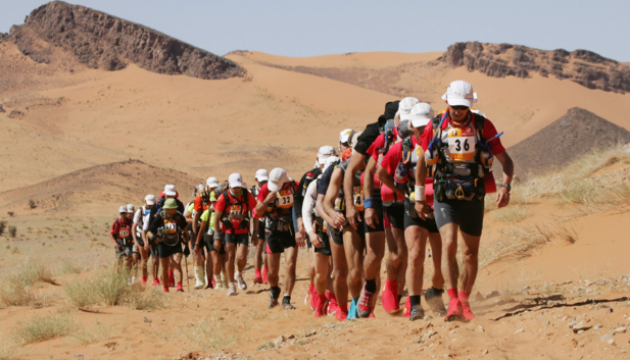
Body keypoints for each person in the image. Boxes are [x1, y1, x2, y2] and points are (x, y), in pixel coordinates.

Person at [416, 80, 514, 321]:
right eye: (455, 105)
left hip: (474, 195)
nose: (458, 110)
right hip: (444, 196)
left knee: (470, 253)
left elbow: (506, 161)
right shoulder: (435, 126)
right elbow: (421, 162)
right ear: (447, 101)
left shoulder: (483, 125)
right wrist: (419, 198)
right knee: (448, 244)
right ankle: (453, 303)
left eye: (463, 106)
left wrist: (506, 186)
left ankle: (465, 301)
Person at [378, 103, 446, 321]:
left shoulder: (443, 143)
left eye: (425, 126)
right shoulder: (401, 147)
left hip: (439, 203)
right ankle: (413, 302)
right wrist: (401, 190)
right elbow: (381, 172)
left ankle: (435, 294)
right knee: (411, 254)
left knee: (440, 259)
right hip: (410, 204)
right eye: (417, 126)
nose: (420, 130)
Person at [294, 146, 337, 308]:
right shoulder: (310, 178)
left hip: (332, 225)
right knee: (315, 266)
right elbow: (299, 200)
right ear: (318, 161)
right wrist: (300, 221)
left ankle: (330, 298)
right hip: (314, 223)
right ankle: (315, 289)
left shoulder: (339, 173)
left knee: (332, 265)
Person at [255, 168, 303, 309]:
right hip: (273, 231)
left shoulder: (295, 186)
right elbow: (256, 212)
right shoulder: (265, 189)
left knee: (291, 263)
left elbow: (301, 205)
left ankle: (286, 298)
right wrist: (266, 202)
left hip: (290, 230)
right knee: (272, 271)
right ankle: (274, 288)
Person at [302, 155, 340, 317]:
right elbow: (306, 210)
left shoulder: (344, 183)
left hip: (339, 231)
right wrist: (310, 233)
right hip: (321, 232)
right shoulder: (315, 185)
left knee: (339, 270)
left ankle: (336, 302)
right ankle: (320, 299)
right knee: (320, 272)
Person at [212, 173, 259, 296]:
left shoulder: (247, 195)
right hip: (228, 230)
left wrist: (255, 233)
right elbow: (216, 219)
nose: (237, 190)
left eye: (238, 187)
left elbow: (255, 213)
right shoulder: (223, 197)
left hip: (243, 229)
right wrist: (217, 237)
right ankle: (231, 285)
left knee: (242, 257)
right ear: (230, 186)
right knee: (230, 256)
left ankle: (239, 274)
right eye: (234, 187)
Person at [146, 198, 191, 293]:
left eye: (172, 209)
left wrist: (187, 246)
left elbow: (186, 231)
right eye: (168, 209)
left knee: (177, 263)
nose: (170, 211)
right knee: (165, 267)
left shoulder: (179, 217)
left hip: (176, 243)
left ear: (175, 208)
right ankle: (165, 287)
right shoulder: (160, 216)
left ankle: (180, 286)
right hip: (163, 244)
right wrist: (153, 238)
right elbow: (149, 231)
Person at [250, 169, 269, 285]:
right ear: (256, 180)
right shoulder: (251, 192)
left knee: (268, 249)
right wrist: (254, 231)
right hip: (258, 222)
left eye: (265, 181)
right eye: (261, 181)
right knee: (258, 247)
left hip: (270, 221)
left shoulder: (271, 190)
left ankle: (266, 273)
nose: (263, 184)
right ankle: (257, 274)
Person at [133, 195, 155, 285]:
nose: (150, 206)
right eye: (148, 204)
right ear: (145, 201)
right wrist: (135, 241)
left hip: (151, 235)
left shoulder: (156, 211)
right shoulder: (140, 211)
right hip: (140, 235)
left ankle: (155, 278)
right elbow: (134, 227)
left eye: (151, 204)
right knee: (144, 259)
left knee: (153, 258)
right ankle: (144, 279)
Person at [110, 205, 134, 271]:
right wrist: (115, 243)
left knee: (128, 259)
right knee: (119, 261)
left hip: (128, 242)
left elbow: (134, 232)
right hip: (119, 242)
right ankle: (119, 277)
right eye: (121, 213)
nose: (123, 215)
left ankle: (127, 277)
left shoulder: (130, 222)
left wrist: (134, 240)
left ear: (127, 213)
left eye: (124, 213)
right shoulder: (116, 222)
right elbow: (111, 234)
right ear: (119, 213)